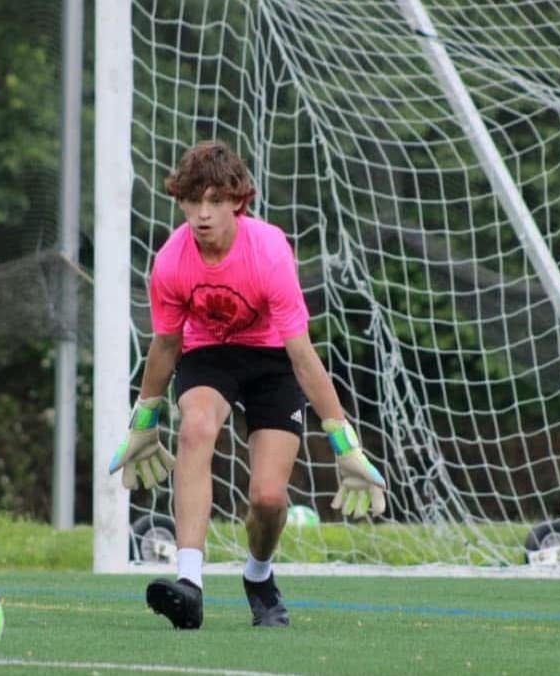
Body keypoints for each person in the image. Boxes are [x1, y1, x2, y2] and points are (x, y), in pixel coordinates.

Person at [108, 140, 386, 630]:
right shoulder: (171, 262)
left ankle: (259, 576)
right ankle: (189, 583)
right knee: (195, 428)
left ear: (238, 201)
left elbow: (302, 355)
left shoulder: (270, 253)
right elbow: (166, 347)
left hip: (272, 359)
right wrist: (144, 420)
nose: (202, 214)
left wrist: (343, 442)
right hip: (208, 355)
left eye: (215, 200)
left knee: (268, 499)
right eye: (193, 201)